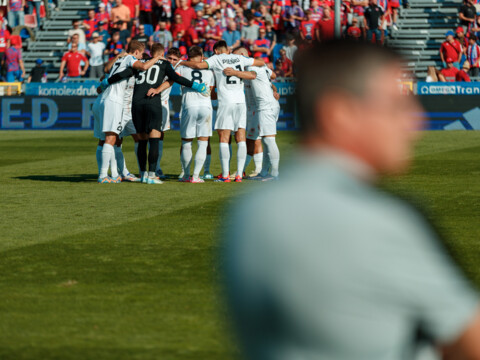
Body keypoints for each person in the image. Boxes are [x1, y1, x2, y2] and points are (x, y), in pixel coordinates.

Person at [223, 39, 480, 360]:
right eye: (396, 105)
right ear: (339, 112)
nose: (416, 121)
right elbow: (470, 340)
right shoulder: (377, 219)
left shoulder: (250, 210)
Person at [181, 40, 265, 182]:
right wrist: (238, 72)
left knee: (224, 138)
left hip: (226, 102)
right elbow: (261, 62)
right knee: (241, 138)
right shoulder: (239, 57)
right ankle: (239, 174)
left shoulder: (216, 58)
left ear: (215, 51)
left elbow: (197, 65)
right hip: (240, 101)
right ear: (227, 48)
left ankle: (225, 175)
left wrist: (182, 63)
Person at [128, 44, 208, 184]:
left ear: (150, 52)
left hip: (136, 102)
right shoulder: (165, 64)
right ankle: (152, 175)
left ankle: (142, 174)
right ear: (163, 54)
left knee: (141, 140)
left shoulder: (141, 63)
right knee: (155, 137)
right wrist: (195, 85)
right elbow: (176, 78)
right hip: (153, 102)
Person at [94, 40, 163, 183]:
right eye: (142, 53)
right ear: (137, 52)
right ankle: (103, 176)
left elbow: (109, 72)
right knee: (111, 138)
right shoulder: (130, 59)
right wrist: (157, 58)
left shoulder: (120, 60)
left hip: (103, 99)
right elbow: (143, 67)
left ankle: (114, 174)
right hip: (115, 101)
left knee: (105, 140)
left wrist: (104, 82)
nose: (142, 57)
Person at [224, 50, 281, 181]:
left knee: (269, 140)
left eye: (236, 55)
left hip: (265, 106)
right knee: (266, 141)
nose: (233, 58)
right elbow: (271, 76)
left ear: (243, 56)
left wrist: (234, 73)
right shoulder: (256, 67)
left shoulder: (252, 66)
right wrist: (274, 91)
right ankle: (264, 171)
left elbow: (254, 75)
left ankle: (275, 174)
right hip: (266, 105)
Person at [175, 46, 215, 183]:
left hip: (188, 105)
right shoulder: (209, 71)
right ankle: (196, 176)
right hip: (205, 106)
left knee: (186, 143)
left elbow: (175, 79)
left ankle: (186, 175)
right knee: (203, 143)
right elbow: (211, 90)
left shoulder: (181, 68)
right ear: (201, 56)